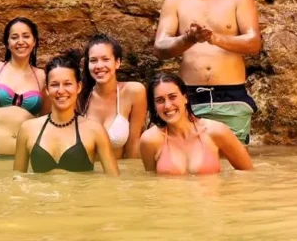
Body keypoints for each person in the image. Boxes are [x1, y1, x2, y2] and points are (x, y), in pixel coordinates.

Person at [154, 0, 263, 144]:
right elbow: (160, 48)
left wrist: (214, 38)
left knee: (234, 171)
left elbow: (253, 42)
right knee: (188, 168)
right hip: (189, 98)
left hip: (231, 97)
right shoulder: (175, 0)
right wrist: (189, 39)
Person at [14, 51, 119, 175]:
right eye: (54, 85)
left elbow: (113, 180)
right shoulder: (28, 129)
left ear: (78, 87)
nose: (61, 90)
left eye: (67, 84)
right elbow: (17, 179)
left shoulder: (95, 130)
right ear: (47, 90)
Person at [138, 72, 253, 175]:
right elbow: (152, 183)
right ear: (154, 106)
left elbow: (249, 174)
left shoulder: (216, 131)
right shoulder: (150, 140)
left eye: (172, 97)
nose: (167, 105)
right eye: (160, 100)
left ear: (185, 98)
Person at [0, 17, 47, 162]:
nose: (20, 41)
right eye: (14, 37)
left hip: (28, 159)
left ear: (34, 41)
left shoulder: (42, 76)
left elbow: (46, 120)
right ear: (7, 43)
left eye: (26, 36)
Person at [77, 33, 147, 161]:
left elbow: (133, 143)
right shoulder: (80, 96)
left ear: (117, 62)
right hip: (84, 177)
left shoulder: (134, 92)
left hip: (116, 175)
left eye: (105, 59)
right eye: (93, 60)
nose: (99, 66)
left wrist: (132, 178)